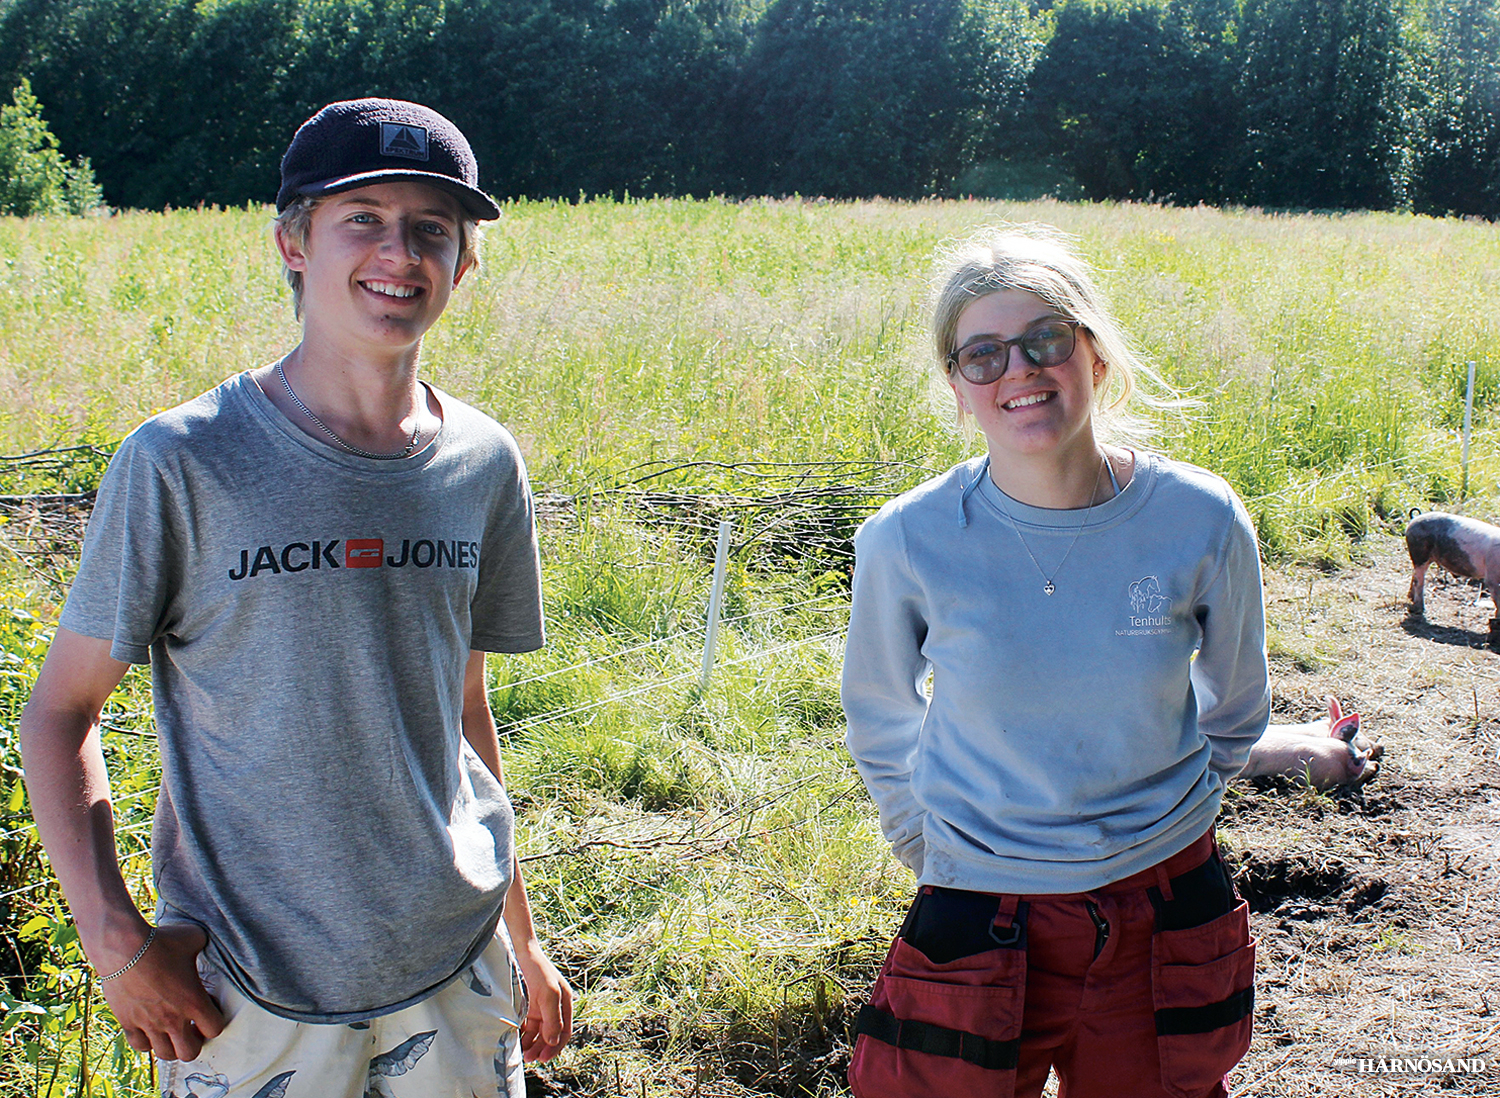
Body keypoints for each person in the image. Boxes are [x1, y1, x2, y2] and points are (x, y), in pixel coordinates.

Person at [19, 98, 572, 1096]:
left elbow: (462, 711)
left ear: (464, 263)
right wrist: (115, 943)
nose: (398, 253)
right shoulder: (183, 463)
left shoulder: (485, 464)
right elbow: (60, 714)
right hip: (250, 997)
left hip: (456, 971)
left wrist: (520, 938)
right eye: (361, 217)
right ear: (291, 242)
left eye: (431, 230)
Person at [841, 225, 1268, 1098]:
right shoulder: (908, 539)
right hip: (976, 911)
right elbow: (880, 713)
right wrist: (924, 841)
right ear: (958, 388)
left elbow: (1235, 708)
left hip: (1162, 904)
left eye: (1046, 341)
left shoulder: (1201, 518)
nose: (1020, 373)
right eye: (983, 355)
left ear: (1095, 355)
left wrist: (1169, 820)